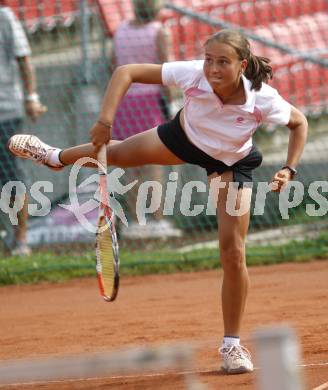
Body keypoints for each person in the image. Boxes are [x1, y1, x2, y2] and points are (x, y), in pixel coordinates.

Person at [8, 29, 307, 373]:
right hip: (184, 138)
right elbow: (127, 72)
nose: (211, 68)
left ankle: (232, 347)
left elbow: (299, 123)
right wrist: (104, 120)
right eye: (208, 59)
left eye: (222, 62)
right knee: (115, 151)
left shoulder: (262, 98)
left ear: (242, 64)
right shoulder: (194, 73)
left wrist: (289, 169)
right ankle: (54, 157)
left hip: (232, 163)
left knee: (233, 251)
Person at [111, 0, 179, 238]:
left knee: (132, 165)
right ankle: (157, 219)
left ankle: (136, 220)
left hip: (126, 102)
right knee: (154, 164)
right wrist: (172, 104)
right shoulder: (159, 31)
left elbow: (114, 65)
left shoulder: (120, 31)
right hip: (150, 101)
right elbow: (166, 69)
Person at [0, 4, 46, 255]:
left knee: (13, 175)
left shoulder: (4, 17)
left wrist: (31, 97)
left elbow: (24, 58)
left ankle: (21, 240)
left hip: (6, 109)